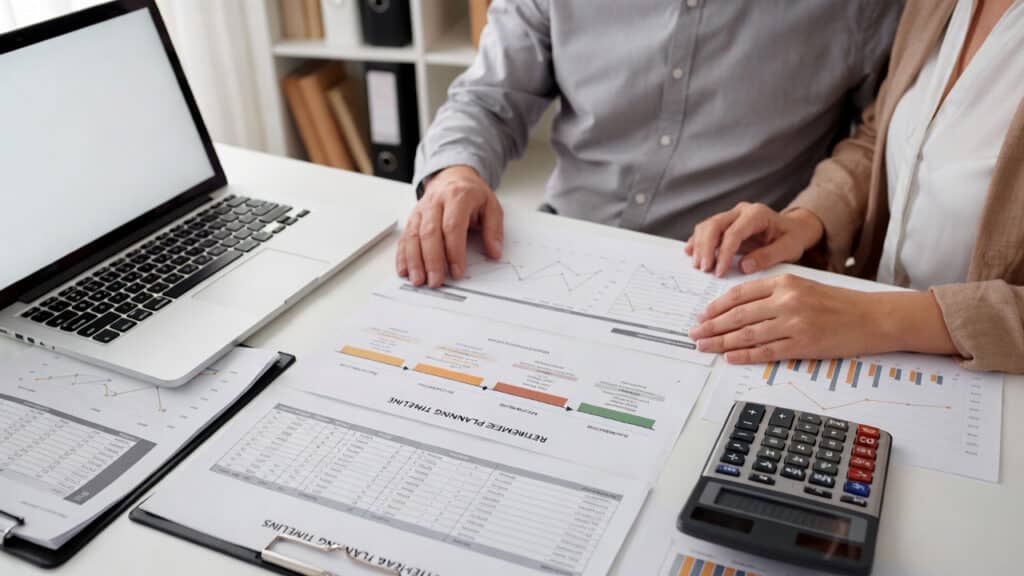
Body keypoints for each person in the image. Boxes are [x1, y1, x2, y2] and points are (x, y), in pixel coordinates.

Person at [396, 0, 905, 288]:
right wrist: (456, 173)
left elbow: (878, 135)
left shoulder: (860, 9)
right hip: (563, 251)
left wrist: (809, 218)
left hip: (729, 281)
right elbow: (488, 99)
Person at [686, 0, 1024, 373]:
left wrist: (875, 317)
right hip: (878, 353)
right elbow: (879, 134)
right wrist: (807, 220)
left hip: (984, 387)